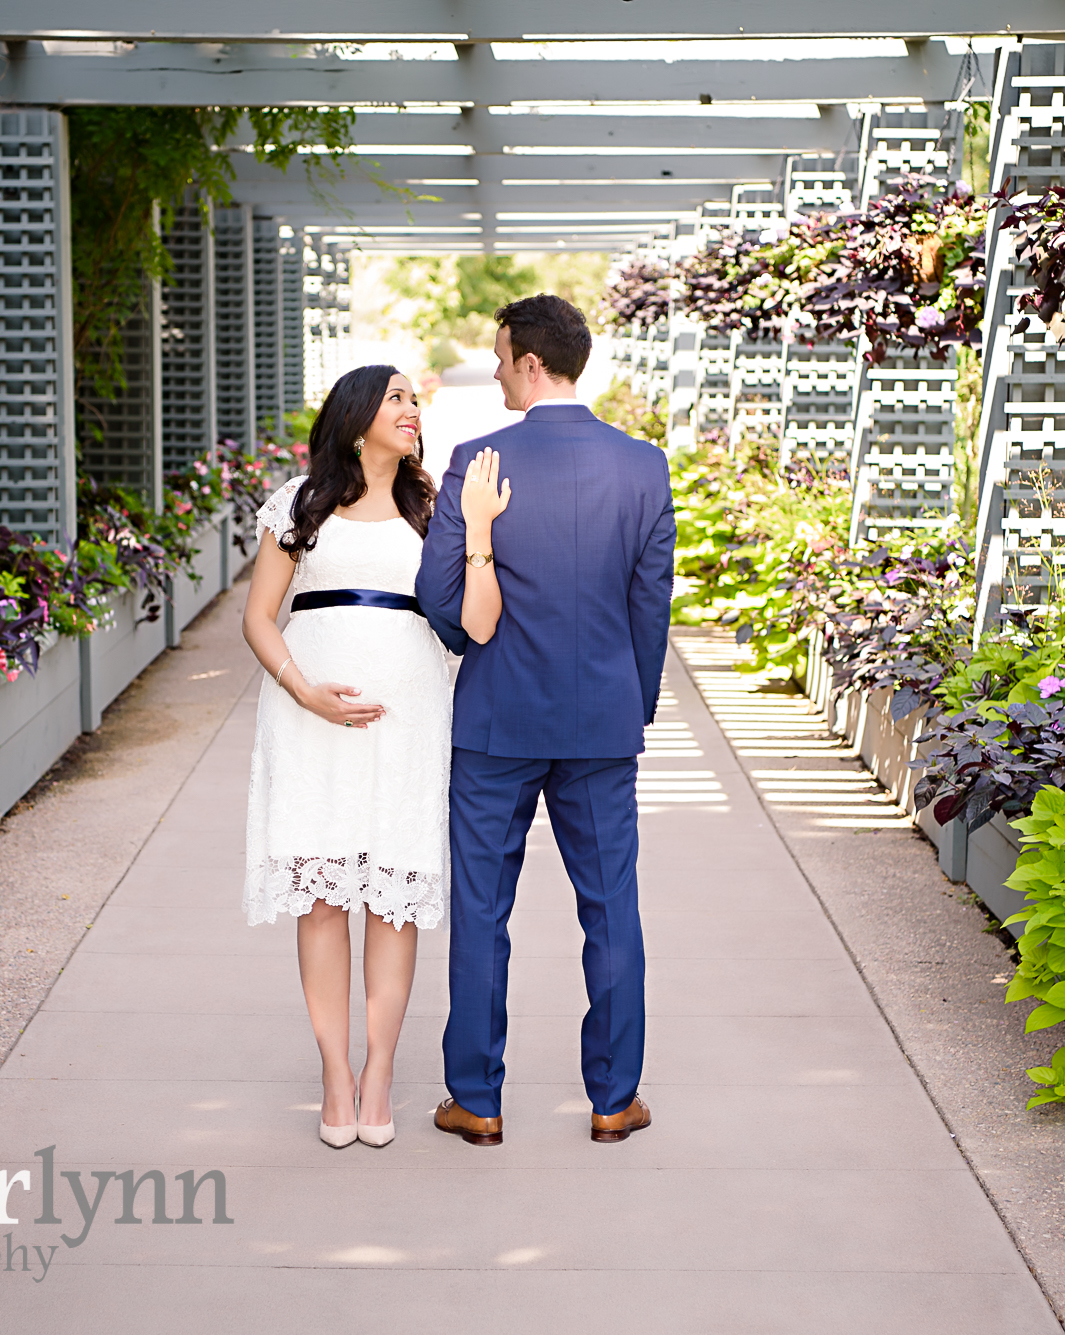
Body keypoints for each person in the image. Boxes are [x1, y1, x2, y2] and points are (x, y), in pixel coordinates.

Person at [416, 294, 676, 1147]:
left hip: (495, 722)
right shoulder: (644, 467)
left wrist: (468, 639)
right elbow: (650, 609)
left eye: (499, 358)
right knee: (612, 908)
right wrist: (626, 709)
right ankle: (613, 1098)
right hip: (600, 724)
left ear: (533, 363)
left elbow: (441, 599)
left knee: (482, 910)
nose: (493, 371)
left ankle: (477, 1099)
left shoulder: (476, 459)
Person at [241, 364, 509, 1150]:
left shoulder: (436, 507)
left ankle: (381, 1072)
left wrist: (484, 531)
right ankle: (334, 1074)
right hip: (309, 720)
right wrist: (303, 689)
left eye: (414, 399)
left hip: (411, 721)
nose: (411, 410)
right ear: (357, 416)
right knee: (323, 899)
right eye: (396, 397)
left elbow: (479, 620)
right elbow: (260, 618)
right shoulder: (300, 504)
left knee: (392, 900)